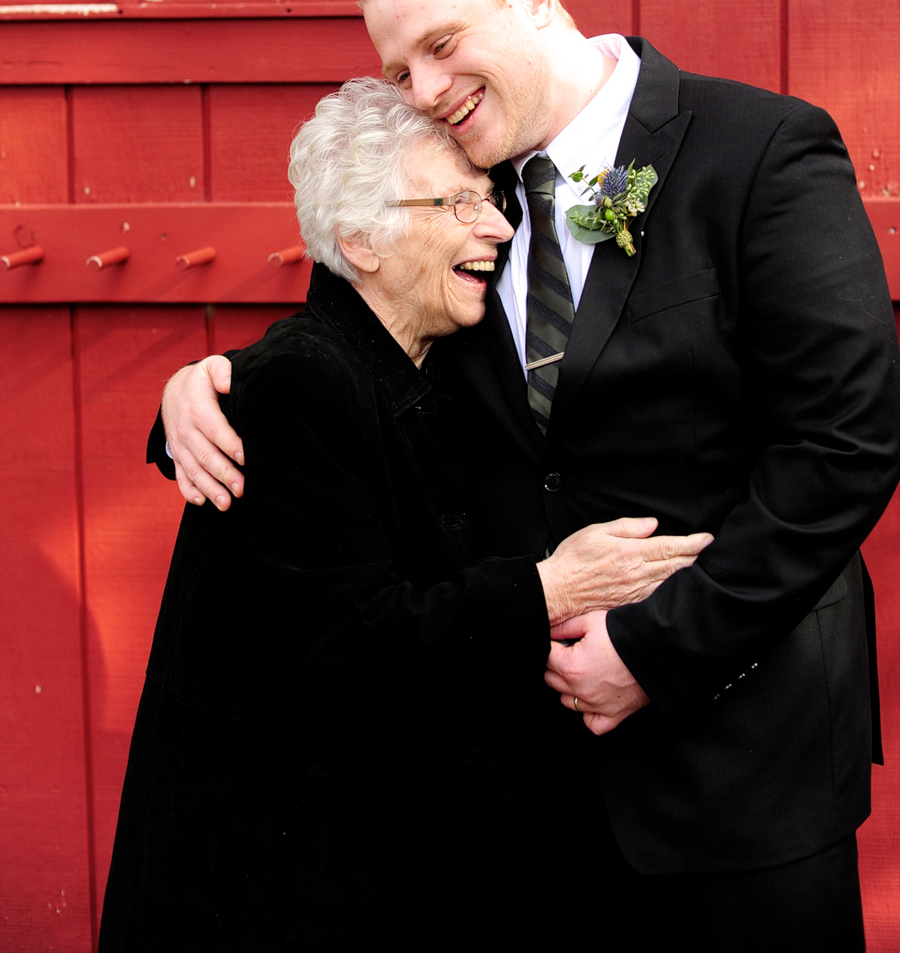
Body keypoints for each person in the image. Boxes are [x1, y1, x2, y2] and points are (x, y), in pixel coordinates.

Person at [157, 0, 900, 951]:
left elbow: (845, 440)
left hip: (740, 765)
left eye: (440, 44)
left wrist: (655, 648)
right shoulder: (459, 191)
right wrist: (201, 387)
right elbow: (344, 341)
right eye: (399, 67)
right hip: (516, 787)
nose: (423, 88)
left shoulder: (760, 151)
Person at [101, 77, 710, 952]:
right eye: (459, 202)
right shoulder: (300, 382)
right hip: (278, 883)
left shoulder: (428, 361)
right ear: (361, 240)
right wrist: (551, 586)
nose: (500, 226)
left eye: (492, 199)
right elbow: (353, 640)